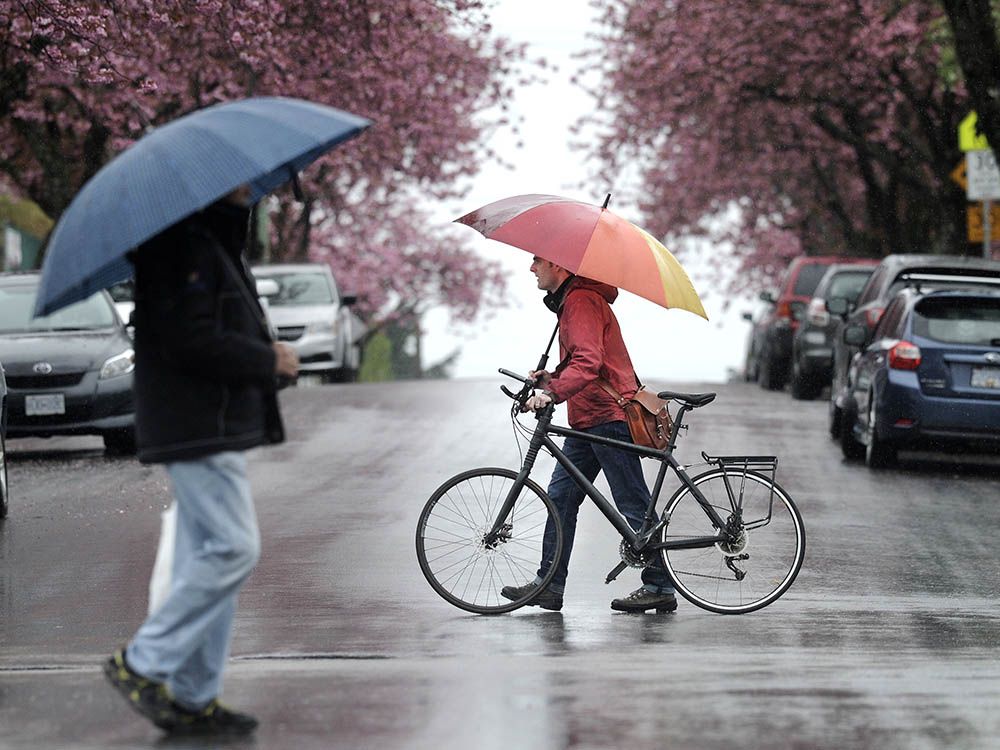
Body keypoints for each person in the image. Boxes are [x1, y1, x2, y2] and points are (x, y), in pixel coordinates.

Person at [102, 186, 299, 735]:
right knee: (234, 549)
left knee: (208, 559)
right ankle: (142, 661)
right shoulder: (181, 244)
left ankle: (193, 696)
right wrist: (267, 359)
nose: (251, 187)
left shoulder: (209, 240)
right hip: (194, 427)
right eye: (240, 181)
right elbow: (189, 339)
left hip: (206, 424)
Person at [500, 256, 676, 614]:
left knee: (632, 502)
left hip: (607, 416)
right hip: (588, 417)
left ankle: (660, 584)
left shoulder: (580, 300)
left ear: (559, 266)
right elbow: (582, 363)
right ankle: (549, 585)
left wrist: (551, 394)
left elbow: (589, 363)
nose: (532, 269)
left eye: (537, 261)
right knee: (560, 498)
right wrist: (550, 379)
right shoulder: (572, 301)